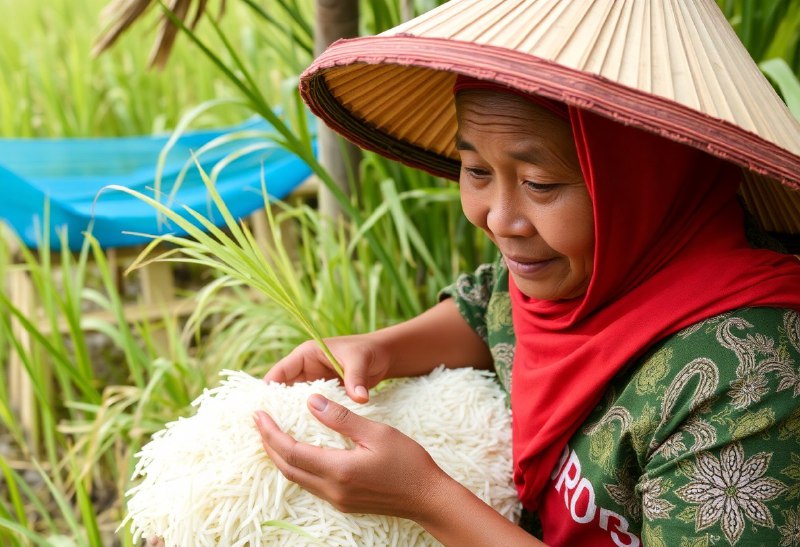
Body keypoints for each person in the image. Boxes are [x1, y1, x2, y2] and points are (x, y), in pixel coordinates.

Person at [254, 1, 800, 545]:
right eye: (476, 171)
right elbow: (490, 304)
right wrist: (380, 348)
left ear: (642, 186)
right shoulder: (576, 266)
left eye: (539, 183)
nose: (499, 219)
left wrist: (426, 499)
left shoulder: (750, 373)